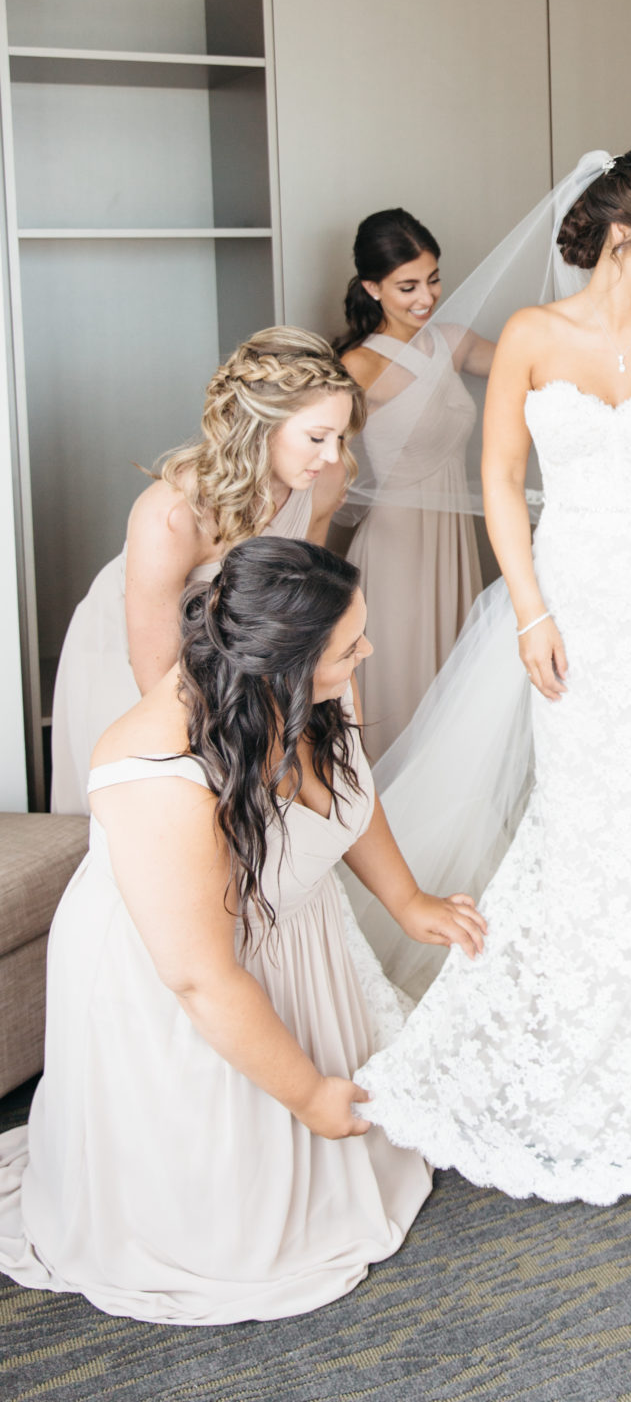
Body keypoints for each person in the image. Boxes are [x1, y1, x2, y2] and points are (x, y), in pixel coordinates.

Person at [356, 141, 631, 1204]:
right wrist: (531, 610)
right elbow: (501, 479)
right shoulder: (533, 336)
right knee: (585, 822)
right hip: (576, 618)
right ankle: (580, 1026)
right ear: (622, 232)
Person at [0, 536, 485, 1324]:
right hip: (184, 977)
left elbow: (347, 793)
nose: (365, 653)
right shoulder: (158, 775)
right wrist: (308, 1095)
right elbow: (201, 977)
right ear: (277, 666)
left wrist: (408, 901)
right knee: (238, 1222)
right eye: (348, 647)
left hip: (284, 934)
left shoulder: (310, 687)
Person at [49, 328, 364, 814]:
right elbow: (156, 674)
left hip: (235, 643)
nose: (332, 455)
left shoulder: (324, 478)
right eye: (317, 437)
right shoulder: (174, 513)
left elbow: (302, 603)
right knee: (165, 797)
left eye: (339, 437)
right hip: (137, 648)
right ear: (261, 426)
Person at [336, 209, 493, 758]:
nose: (426, 297)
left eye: (433, 279)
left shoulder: (452, 342)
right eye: (407, 286)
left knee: (452, 683)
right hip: (398, 547)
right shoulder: (358, 366)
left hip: (452, 541)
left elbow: (535, 362)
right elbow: (320, 465)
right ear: (372, 287)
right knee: (403, 687)